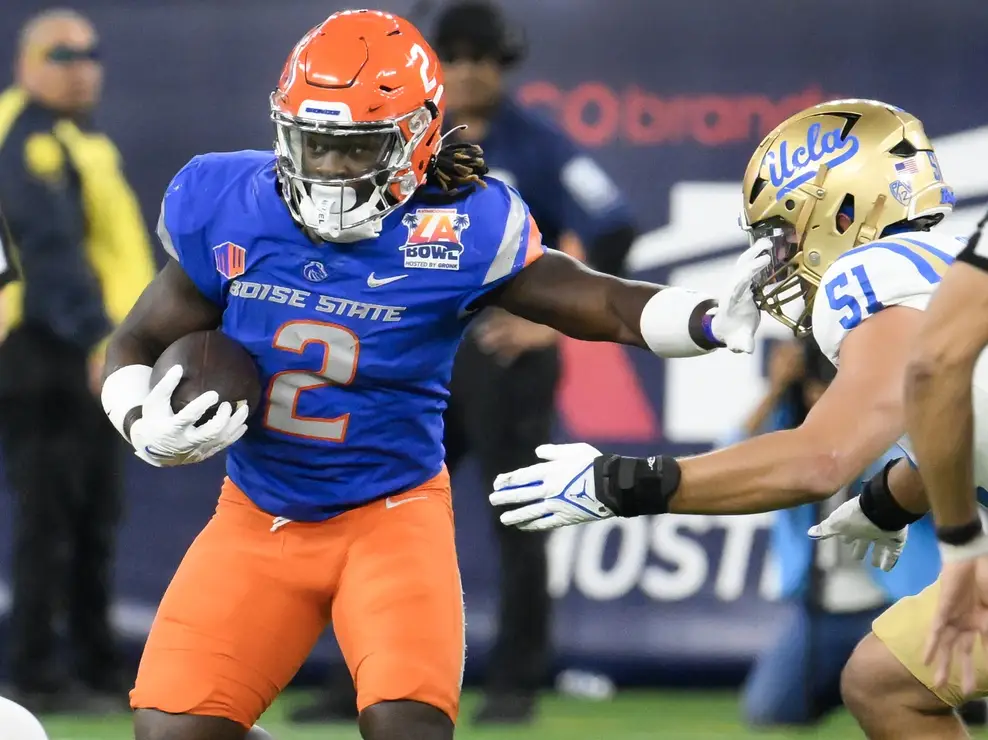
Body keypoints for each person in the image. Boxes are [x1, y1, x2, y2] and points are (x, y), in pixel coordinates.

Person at [97, 10, 763, 740]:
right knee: (172, 733)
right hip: (257, 515)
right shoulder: (229, 203)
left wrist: (702, 318)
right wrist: (140, 419)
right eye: (312, 145)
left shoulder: (455, 228)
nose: (327, 170)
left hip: (390, 517)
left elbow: (595, 300)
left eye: (354, 151)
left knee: (405, 726)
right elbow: (134, 340)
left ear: (414, 140)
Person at [489, 97, 977, 739]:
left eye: (784, 231)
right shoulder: (951, 263)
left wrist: (619, 483)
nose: (778, 258)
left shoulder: (867, 272)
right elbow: (954, 409)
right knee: (885, 681)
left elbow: (817, 460)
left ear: (842, 208)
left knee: (887, 680)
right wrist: (889, 501)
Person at [290, 2, 640, 724]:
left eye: (487, 59)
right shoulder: (396, 142)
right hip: (415, 360)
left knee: (521, 516)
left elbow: (613, 224)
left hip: (502, 358)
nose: (473, 72)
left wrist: (547, 327)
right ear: (431, 68)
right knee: (372, 514)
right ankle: (349, 679)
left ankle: (516, 680)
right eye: (457, 57)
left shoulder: (535, 142)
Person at [0, 8, 155, 713]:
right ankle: (37, 672)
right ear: (25, 63)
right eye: (60, 54)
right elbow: (49, 255)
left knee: (92, 514)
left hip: (89, 348)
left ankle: (93, 666)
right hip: (51, 351)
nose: (78, 66)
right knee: (53, 518)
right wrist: (101, 342)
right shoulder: (25, 137)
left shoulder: (71, 137)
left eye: (88, 53)